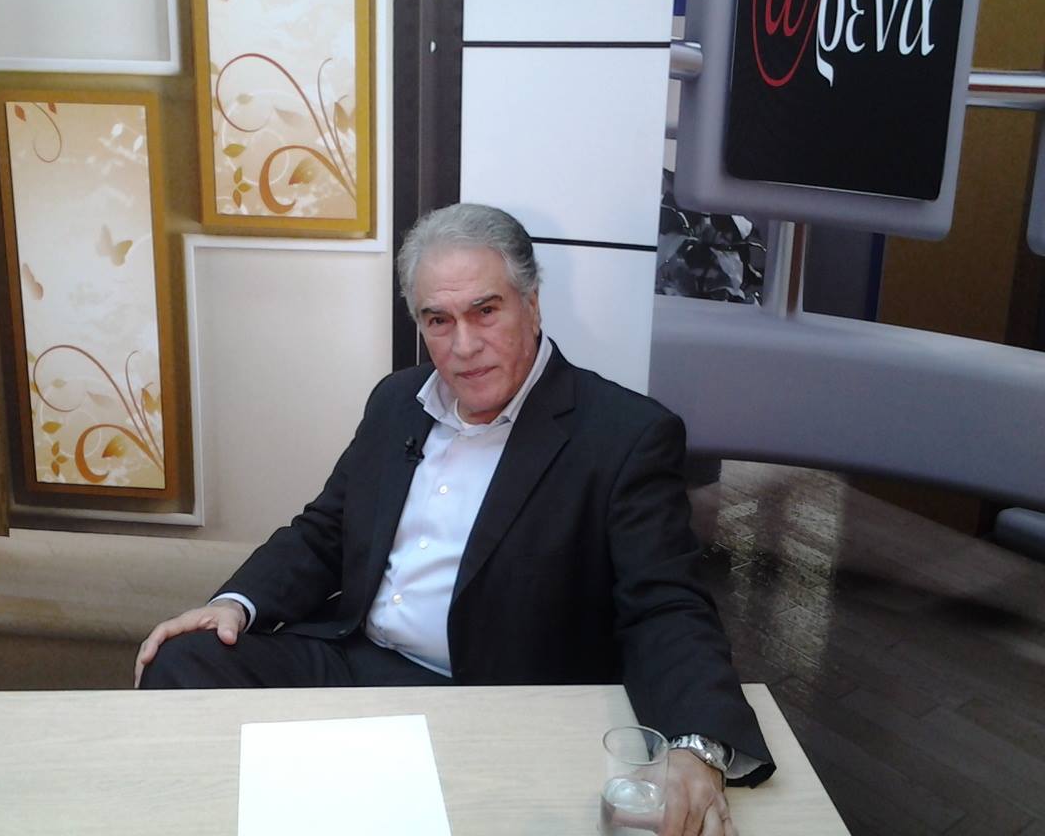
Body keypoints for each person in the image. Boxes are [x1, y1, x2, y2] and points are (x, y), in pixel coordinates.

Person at [136, 203, 774, 836]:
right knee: (183, 661)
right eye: (438, 320)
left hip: (490, 696)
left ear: (532, 303)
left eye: (485, 311)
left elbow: (665, 605)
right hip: (358, 661)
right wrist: (236, 602)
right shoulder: (397, 401)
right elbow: (326, 529)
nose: (463, 346)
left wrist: (696, 743)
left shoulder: (625, 434)